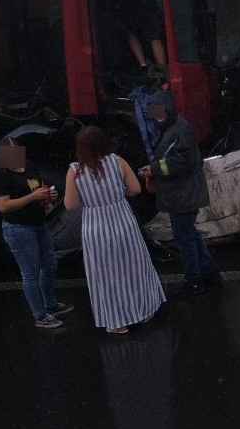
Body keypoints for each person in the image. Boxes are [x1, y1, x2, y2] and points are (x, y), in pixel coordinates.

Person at [64, 126, 166, 334]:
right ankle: (144, 311)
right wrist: (117, 194)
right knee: (134, 266)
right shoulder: (118, 161)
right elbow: (135, 189)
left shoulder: (75, 171)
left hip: (96, 228)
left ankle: (116, 321)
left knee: (105, 274)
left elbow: (71, 205)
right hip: (123, 221)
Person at [139, 90, 221, 295]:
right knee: (190, 234)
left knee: (184, 238)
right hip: (183, 194)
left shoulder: (178, 130)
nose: (156, 118)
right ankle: (209, 272)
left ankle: (194, 281)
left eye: (159, 113)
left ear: (167, 110)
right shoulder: (173, 128)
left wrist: (155, 169)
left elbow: (183, 161)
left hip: (183, 195)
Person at [0, 137, 74, 329]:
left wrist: (47, 195)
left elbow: (38, 189)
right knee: (30, 272)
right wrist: (32, 197)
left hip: (39, 224)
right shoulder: (1, 176)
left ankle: (51, 304)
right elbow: (3, 206)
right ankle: (39, 314)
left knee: (50, 265)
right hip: (19, 228)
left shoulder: (29, 167)